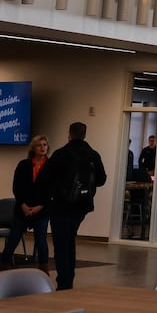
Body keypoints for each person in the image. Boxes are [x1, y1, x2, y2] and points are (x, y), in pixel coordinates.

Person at [41, 121, 106, 290]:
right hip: (82, 206)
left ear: (69, 135)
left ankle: (64, 282)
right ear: (84, 135)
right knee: (70, 240)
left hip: (61, 206)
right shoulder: (93, 155)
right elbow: (101, 180)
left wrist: (52, 196)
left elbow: (44, 178)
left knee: (62, 245)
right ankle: (68, 279)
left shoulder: (61, 154)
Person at [1, 134, 50, 269]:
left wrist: (40, 206)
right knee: (13, 238)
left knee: (41, 240)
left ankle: (44, 267)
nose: (42, 148)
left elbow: (52, 189)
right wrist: (23, 204)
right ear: (33, 148)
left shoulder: (51, 166)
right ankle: (3, 265)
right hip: (22, 208)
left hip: (41, 209)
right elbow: (17, 186)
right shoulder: (24, 165)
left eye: (45, 145)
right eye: (39, 145)